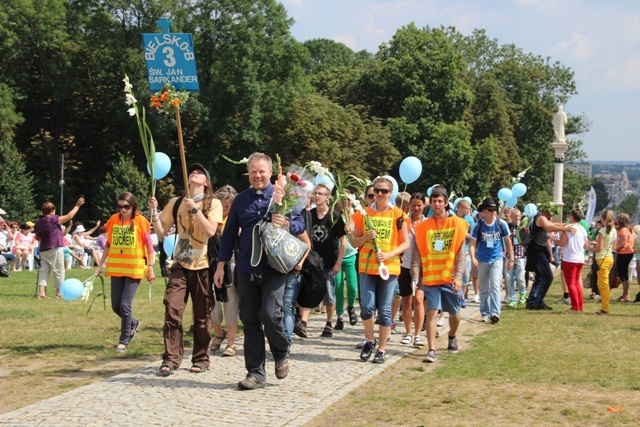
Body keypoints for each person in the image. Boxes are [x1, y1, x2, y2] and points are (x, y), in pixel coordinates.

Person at [214, 153, 304, 390]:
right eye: (253, 171)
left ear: (270, 172)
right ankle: (255, 373)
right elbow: (230, 233)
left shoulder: (283, 196)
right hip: (246, 268)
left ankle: (281, 350)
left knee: (269, 315)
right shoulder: (241, 200)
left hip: (274, 267)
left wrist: (286, 223)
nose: (257, 175)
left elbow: (300, 225)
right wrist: (221, 266)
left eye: (261, 171)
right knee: (251, 320)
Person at [149, 163, 222, 375]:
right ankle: (171, 359)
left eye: (200, 172)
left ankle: (200, 358)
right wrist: (154, 211)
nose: (195, 172)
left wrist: (195, 209)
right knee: (172, 311)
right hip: (180, 265)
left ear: (206, 183)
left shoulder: (213, 203)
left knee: (201, 317)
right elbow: (161, 232)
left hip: (203, 266)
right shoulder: (175, 202)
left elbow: (210, 230)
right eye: (193, 171)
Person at [350, 176, 409, 364]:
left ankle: (382, 349)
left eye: (384, 191)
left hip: (389, 268)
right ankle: (370, 339)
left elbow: (405, 243)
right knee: (366, 307)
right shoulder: (362, 214)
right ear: (372, 192)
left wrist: (390, 254)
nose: (380, 194)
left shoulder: (399, 214)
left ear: (390, 193)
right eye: (377, 191)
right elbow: (353, 241)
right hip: (367, 268)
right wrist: (365, 237)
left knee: (384, 310)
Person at [411, 186, 468, 363]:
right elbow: (417, 254)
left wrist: (458, 277)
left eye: (440, 201)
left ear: (445, 203)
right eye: (434, 201)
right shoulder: (423, 227)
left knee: (455, 315)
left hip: (450, 279)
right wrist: (414, 278)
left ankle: (452, 336)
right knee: (432, 312)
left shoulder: (457, 224)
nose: (436, 204)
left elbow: (460, 254)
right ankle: (431, 349)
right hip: (430, 278)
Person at [95, 192, 154, 352]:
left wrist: (150, 267)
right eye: (120, 207)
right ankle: (133, 323)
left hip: (134, 268)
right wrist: (100, 265)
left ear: (133, 206)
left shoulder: (141, 221)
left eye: (126, 207)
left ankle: (124, 340)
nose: (123, 210)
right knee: (115, 306)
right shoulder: (114, 219)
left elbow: (149, 246)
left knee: (125, 304)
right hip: (116, 267)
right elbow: (108, 244)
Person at [305, 183, 346, 338]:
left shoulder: (334, 216)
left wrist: (338, 262)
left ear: (327, 197)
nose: (317, 196)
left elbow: (343, 241)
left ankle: (329, 323)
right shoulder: (309, 214)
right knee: (309, 291)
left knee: (329, 295)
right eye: (315, 193)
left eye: (320, 193)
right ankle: (303, 322)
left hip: (329, 262)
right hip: (312, 261)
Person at [524, 202, 576, 311]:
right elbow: (549, 227)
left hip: (537, 250)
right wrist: (565, 228)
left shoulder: (541, 218)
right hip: (537, 251)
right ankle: (538, 302)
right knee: (548, 277)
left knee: (539, 278)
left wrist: (565, 226)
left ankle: (531, 302)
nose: (551, 216)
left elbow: (553, 225)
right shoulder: (541, 218)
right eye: (552, 213)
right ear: (547, 211)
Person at [209, 185, 241, 357]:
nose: (226, 208)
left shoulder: (237, 219)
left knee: (231, 303)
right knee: (210, 302)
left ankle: (231, 342)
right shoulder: (210, 217)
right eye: (223, 204)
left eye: (229, 205)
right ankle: (218, 332)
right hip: (211, 263)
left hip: (231, 263)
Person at [469, 198, 513, 324]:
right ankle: (485, 313)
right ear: (483, 211)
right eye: (490, 210)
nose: (493, 212)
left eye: (495, 209)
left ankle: (495, 312)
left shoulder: (501, 224)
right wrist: (472, 257)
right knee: (483, 288)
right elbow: (472, 243)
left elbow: (508, 241)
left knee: (494, 285)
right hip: (482, 259)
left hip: (497, 258)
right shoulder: (478, 226)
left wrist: (511, 259)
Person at [34, 199, 85, 299]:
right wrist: (77, 205)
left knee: (44, 271)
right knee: (59, 270)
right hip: (55, 247)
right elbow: (69, 216)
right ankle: (59, 292)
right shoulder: (53, 219)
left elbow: (37, 237)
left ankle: (41, 293)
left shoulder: (39, 223)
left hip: (44, 249)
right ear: (52, 211)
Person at [398, 192, 426, 347]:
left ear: (424, 206)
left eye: (419, 205)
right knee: (407, 300)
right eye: (413, 205)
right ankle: (408, 332)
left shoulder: (427, 223)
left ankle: (418, 334)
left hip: (422, 267)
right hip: (404, 265)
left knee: (419, 299)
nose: (416, 208)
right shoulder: (404, 221)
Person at [552, 209, 588, 311]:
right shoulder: (583, 229)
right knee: (576, 283)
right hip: (580, 258)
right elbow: (585, 244)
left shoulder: (569, 228)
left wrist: (553, 239)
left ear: (572, 216)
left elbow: (562, 243)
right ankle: (580, 304)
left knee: (571, 283)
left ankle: (575, 306)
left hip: (570, 258)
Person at [587, 209, 617, 314]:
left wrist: (589, 248)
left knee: (603, 285)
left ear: (602, 219)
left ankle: (605, 308)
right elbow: (613, 245)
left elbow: (599, 249)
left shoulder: (602, 231)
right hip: (609, 257)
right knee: (603, 284)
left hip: (601, 259)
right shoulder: (614, 230)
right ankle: (605, 306)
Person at [506, 209, 527, 307]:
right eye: (515, 216)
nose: (517, 218)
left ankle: (523, 294)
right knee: (509, 278)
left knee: (520, 278)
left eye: (518, 216)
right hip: (509, 256)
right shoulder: (507, 227)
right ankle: (512, 298)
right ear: (511, 216)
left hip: (520, 255)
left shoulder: (523, 227)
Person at [613, 213, 634, 302]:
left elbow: (623, 243)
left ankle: (625, 295)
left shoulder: (624, 230)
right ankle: (625, 294)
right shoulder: (629, 229)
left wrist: (614, 250)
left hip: (624, 253)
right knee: (623, 274)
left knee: (623, 274)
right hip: (628, 252)